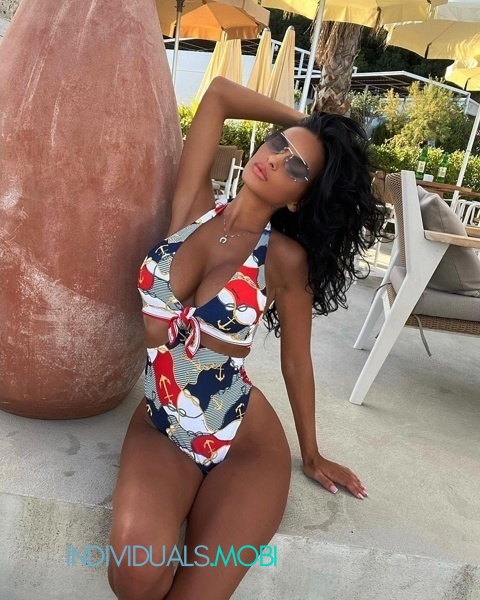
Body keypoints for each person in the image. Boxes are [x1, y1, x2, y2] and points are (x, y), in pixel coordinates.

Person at [107, 76, 384, 600]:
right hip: (162, 424)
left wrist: (312, 453)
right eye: (278, 145)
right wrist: (307, 124)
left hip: (244, 442)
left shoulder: (284, 260)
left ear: (300, 201)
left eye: (296, 169)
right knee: (134, 575)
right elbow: (218, 94)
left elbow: (296, 363)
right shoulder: (192, 208)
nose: (276, 160)